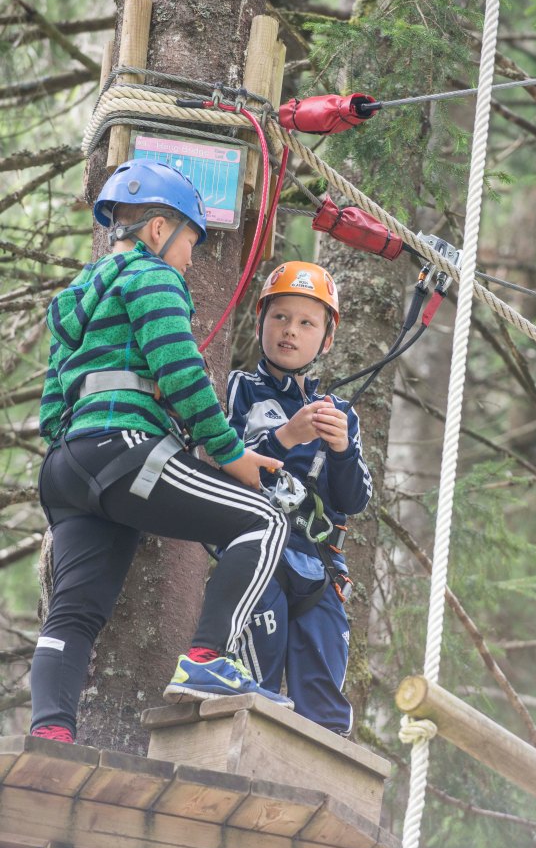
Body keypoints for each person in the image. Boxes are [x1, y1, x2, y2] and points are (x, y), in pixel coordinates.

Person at [31, 159, 293, 744]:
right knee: (264, 522)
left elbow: (52, 405)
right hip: (125, 451)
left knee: (74, 614)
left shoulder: (75, 296)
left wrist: (83, 443)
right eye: (191, 243)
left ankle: (50, 732)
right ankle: (206, 659)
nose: (191, 260)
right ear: (157, 230)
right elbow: (180, 375)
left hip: (67, 468)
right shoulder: (152, 278)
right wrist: (232, 456)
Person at [227, 262, 372, 735]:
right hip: (258, 559)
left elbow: (353, 500)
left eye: (307, 323)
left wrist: (342, 450)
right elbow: (222, 465)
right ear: (260, 321)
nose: (291, 331)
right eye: (280, 317)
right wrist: (285, 437)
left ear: (326, 340)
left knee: (325, 712)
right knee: (255, 690)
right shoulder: (239, 390)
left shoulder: (340, 415)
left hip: (320, 569)